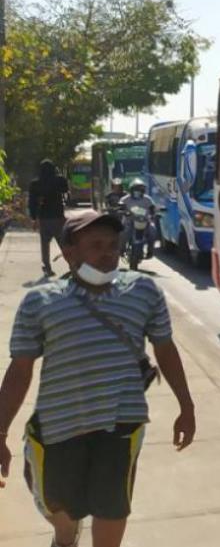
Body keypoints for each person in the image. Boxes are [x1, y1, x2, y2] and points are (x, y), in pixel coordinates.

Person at [0, 210, 197, 547]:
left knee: (112, 508)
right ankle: (66, 535)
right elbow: (20, 370)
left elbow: (165, 349)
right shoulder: (40, 302)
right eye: (95, 245)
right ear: (69, 252)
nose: (108, 253)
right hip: (59, 426)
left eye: (112, 245)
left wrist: (187, 406)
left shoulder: (144, 291)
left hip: (121, 426)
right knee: (56, 505)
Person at [28, 160, 70, 277]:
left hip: (44, 217)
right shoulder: (59, 180)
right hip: (58, 217)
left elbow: (32, 202)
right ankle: (73, 264)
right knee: (63, 243)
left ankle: (47, 267)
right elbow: (66, 189)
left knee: (45, 244)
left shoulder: (35, 184)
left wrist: (33, 217)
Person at [118, 179, 158, 259]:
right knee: (123, 233)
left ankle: (150, 251)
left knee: (153, 230)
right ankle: (121, 249)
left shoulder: (147, 199)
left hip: (145, 221)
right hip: (129, 221)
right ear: (131, 190)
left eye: (140, 189)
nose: (138, 191)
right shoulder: (125, 199)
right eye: (136, 189)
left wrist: (154, 213)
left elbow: (153, 208)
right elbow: (120, 206)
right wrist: (122, 210)